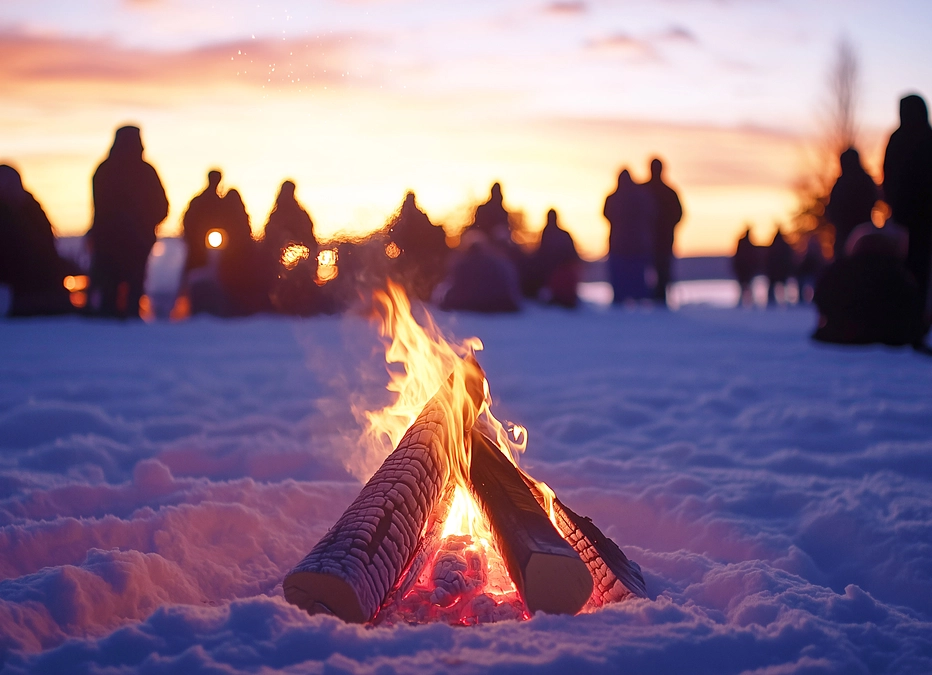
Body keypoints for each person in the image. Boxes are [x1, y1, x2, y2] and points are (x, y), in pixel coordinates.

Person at [87, 125, 168, 318]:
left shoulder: (104, 170)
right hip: (126, 243)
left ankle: (113, 325)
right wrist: (145, 226)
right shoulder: (144, 171)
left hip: (115, 243)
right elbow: (162, 207)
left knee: (112, 293)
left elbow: (162, 207)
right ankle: (125, 325)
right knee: (128, 291)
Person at [813, 222, 925, 346]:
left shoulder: (837, 270)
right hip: (890, 337)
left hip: (840, 335)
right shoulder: (899, 274)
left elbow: (821, 298)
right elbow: (912, 306)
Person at [883, 93, 932, 318]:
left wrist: (893, 205)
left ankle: (907, 314)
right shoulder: (927, 137)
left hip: (904, 217)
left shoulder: (897, 139)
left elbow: (888, 176)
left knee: (906, 265)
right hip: (921, 217)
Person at [0, 164, 72, 315]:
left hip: (37, 293)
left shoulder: (32, 211)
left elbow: (45, 252)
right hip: (23, 295)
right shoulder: (27, 210)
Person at [603, 169, 656, 303]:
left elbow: (606, 215)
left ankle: (622, 299)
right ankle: (638, 298)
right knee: (636, 276)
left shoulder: (613, 197)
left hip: (620, 245)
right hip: (638, 244)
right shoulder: (641, 196)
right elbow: (652, 213)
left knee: (622, 276)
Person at [386, 191, 449, 301]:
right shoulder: (415, 216)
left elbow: (393, 233)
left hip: (412, 254)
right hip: (415, 254)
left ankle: (413, 295)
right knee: (413, 276)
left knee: (412, 276)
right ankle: (412, 295)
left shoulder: (402, 217)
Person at [438, 231, 522, 313]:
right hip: (500, 303)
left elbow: (454, 285)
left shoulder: (462, 264)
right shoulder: (500, 262)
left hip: (468, 303)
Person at [825, 148, 879, 259]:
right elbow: (874, 199)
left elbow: (831, 210)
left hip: (850, 234)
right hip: (863, 233)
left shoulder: (840, 185)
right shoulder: (865, 180)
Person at [644, 158, 683, 306]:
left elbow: (678, 215)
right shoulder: (668, 191)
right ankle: (659, 299)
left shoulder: (645, 189)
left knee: (659, 270)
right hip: (658, 240)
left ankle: (658, 299)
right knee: (661, 270)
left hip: (654, 240)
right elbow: (679, 215)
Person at [527, 209, 581, 307]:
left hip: (557, 272)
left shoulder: (549, 233)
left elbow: (541, 254)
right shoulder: (562, 234)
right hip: (562, 272)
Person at [182, 170, 224, 275]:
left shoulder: (203, 200)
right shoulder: (205, 200)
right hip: (197, 242)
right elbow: (188, 220)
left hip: (208, 244)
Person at [765, 228, 794, 305]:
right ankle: (785, 302)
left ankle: (772, 303)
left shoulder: (773, 245)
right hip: (781, 271)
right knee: (781, 287)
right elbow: (788, 258)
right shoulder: (784, 245)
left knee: (774, 287)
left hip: (775, 271)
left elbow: (769, 259)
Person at [732, 227, 759, 307]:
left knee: (745, 288)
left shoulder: (744, 243)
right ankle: (746, 304)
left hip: (744, 270)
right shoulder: (749, 244)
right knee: (746, 288)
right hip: (745, 270)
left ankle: (744, 304)